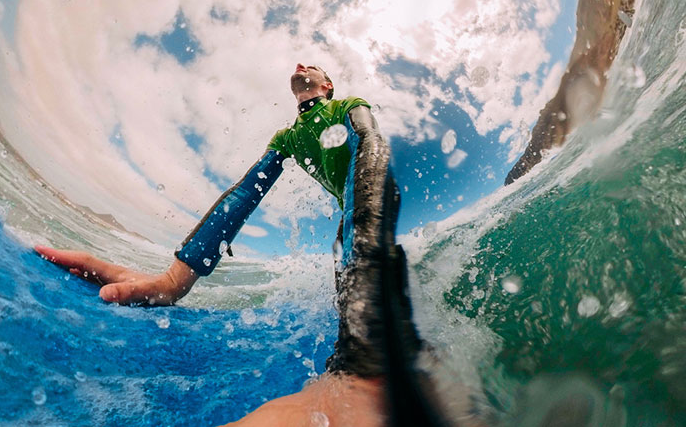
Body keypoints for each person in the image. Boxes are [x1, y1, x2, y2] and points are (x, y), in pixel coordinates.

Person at [35, 64, 449, 426]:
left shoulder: (347, 106)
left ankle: (376, 371)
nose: (302, 63)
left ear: (327, 86)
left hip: (370, 215)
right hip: (350, 233)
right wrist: (175, 280)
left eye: (315, 66)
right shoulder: (287, 136)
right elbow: (243, 195)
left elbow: (371, 149)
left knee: (395, 361)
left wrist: (367, 354)